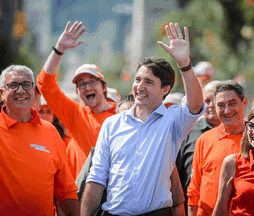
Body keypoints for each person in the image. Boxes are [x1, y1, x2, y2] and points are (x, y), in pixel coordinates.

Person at [80, 22, 205, 216]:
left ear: (165, 90)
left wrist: (184, 64)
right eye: (138, 80)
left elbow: (195, 105)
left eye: (148, 82)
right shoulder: (112, 124)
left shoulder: (173, 121)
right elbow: (96, 178)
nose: (140, 87)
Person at [37, 21, 116, 179]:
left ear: (104, 87)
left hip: (118, 196)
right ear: (78, 92)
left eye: (92, 81)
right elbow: (45, 85)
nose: (87, 88)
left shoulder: (122, 115)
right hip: (86, 198)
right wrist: (59, 49)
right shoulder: (76, 115)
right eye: (81, 84)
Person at [0, 65, 79, 215]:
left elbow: (65, 192)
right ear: (1, 94)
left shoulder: (50, 132)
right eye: (13, 85)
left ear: (34, 93)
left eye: (27, 85)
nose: (21, 90)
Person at [187, 80, 248, 216]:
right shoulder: (204, 139)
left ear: (244, 102)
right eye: (221, 105)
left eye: (232, 104)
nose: (227, 111)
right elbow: (194, 189)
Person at [176, 80, 221, 212]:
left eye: (216, 100)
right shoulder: (188, 132)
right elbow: (177, 176)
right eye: (206, 101)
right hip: (193, 209)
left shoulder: (241, 133)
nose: (211, 105)